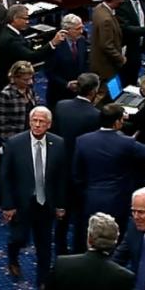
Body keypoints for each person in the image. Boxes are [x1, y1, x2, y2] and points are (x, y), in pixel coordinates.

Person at [74, 104, 145, 234]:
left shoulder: (82, 140)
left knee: (92, 235)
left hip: (90, 199)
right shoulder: (126, 143)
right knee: (115, 237)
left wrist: (85, 193)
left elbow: (77, 175)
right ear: (117, 122)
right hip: (118, 201)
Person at [1, 107, 67, 285]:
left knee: (44, 244)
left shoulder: (58, 143)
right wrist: (8, 205)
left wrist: (60, 204)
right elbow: (5, 176)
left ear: (49, 124)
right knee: (18, 238)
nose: (37, 125)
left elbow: (61, 177)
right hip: (21, 204)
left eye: (41, 122)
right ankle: (13, 258)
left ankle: (42, 280)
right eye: (34, 121)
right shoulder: (15, 143)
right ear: (29, 122)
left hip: (46, 204)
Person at [53, 73, 102, 254]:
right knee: (80, 214)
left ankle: (60, 250)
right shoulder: (96, 115)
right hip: (82, 171)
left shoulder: (61, 106)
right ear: (94, 91)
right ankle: (78, 251)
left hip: (60, 166)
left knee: (61, 214)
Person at [0, 4, 63, 109]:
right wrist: (52, 43)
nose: (28, 21)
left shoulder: (11, 32)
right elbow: (31, 56)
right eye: (25, 18)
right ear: (15, 19)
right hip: (14, 80)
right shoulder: (10, 39)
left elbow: (25, 44)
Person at [44, 13, 88, 107]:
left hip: (79, 92)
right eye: (78, 29)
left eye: (82, 27)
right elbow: (49, 72)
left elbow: (85, 63)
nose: (81, 31)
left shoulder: (82, 40)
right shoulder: (55, 46)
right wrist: (67, 84)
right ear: (67, 30)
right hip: (59, 94)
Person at [89, 0, 128, 86]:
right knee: (109, 90)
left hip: (98, 59)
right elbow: (107, 45)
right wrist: (121, 58)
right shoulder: (106, 19)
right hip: (106, 64)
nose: (124, 0)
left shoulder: (99, 8)